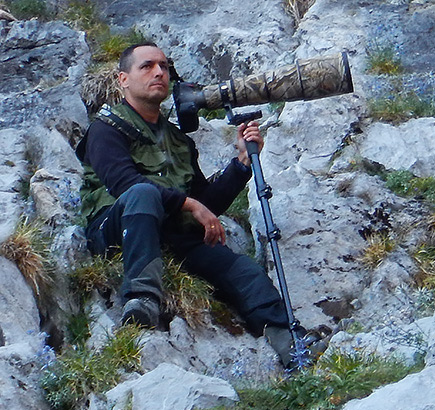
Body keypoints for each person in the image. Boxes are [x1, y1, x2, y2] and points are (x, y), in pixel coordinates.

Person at [77, 42, 304, 368]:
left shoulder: (178, 140)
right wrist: (188, 204)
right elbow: (125, 184)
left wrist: (241, 164)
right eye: (147, 66)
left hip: (171, 236)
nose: (159, 72)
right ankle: (142, 297)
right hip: (117, 230)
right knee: (142, 193)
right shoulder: (106, 129)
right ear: (123, 79)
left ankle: (290, 344)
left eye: (164, 67)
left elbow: (206, 202)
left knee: (242, 269)